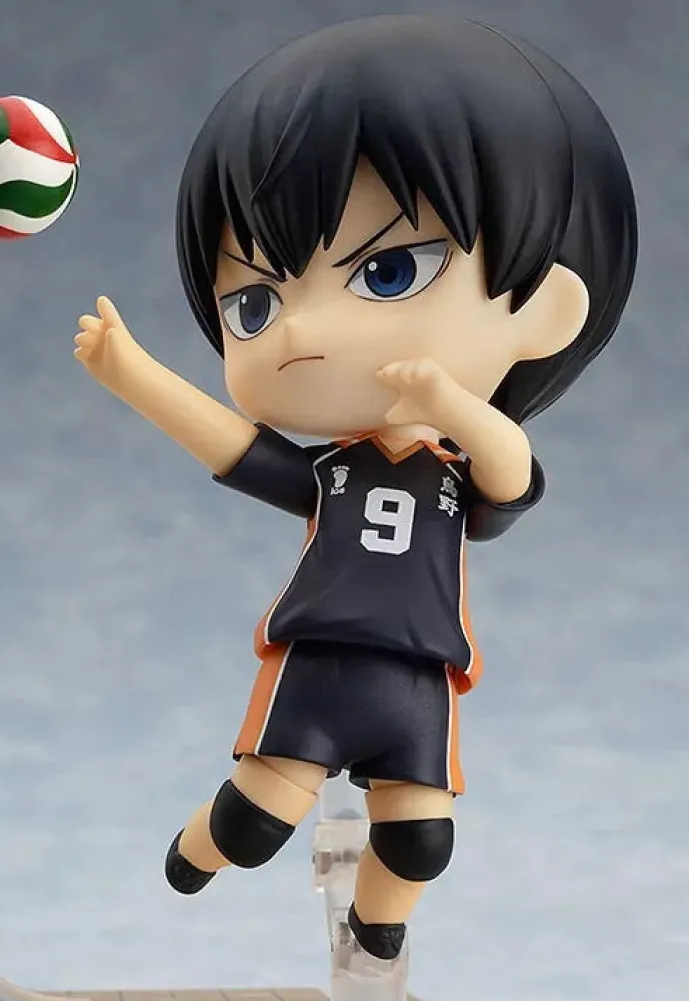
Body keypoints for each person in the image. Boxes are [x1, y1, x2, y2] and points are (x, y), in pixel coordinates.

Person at [73, 15, 637, 961]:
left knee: (421, 840)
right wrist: (133, 374)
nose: (297, 332)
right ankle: (199, 846)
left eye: (388, 270)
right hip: (319, 661)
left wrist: (448, 400)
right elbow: (233, 443)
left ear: (543, 309)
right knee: (257, 822)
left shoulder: (461, 470)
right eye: (253, 302)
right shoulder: (331, 472)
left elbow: (510, 472)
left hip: (421, 675)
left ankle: (380, 920)